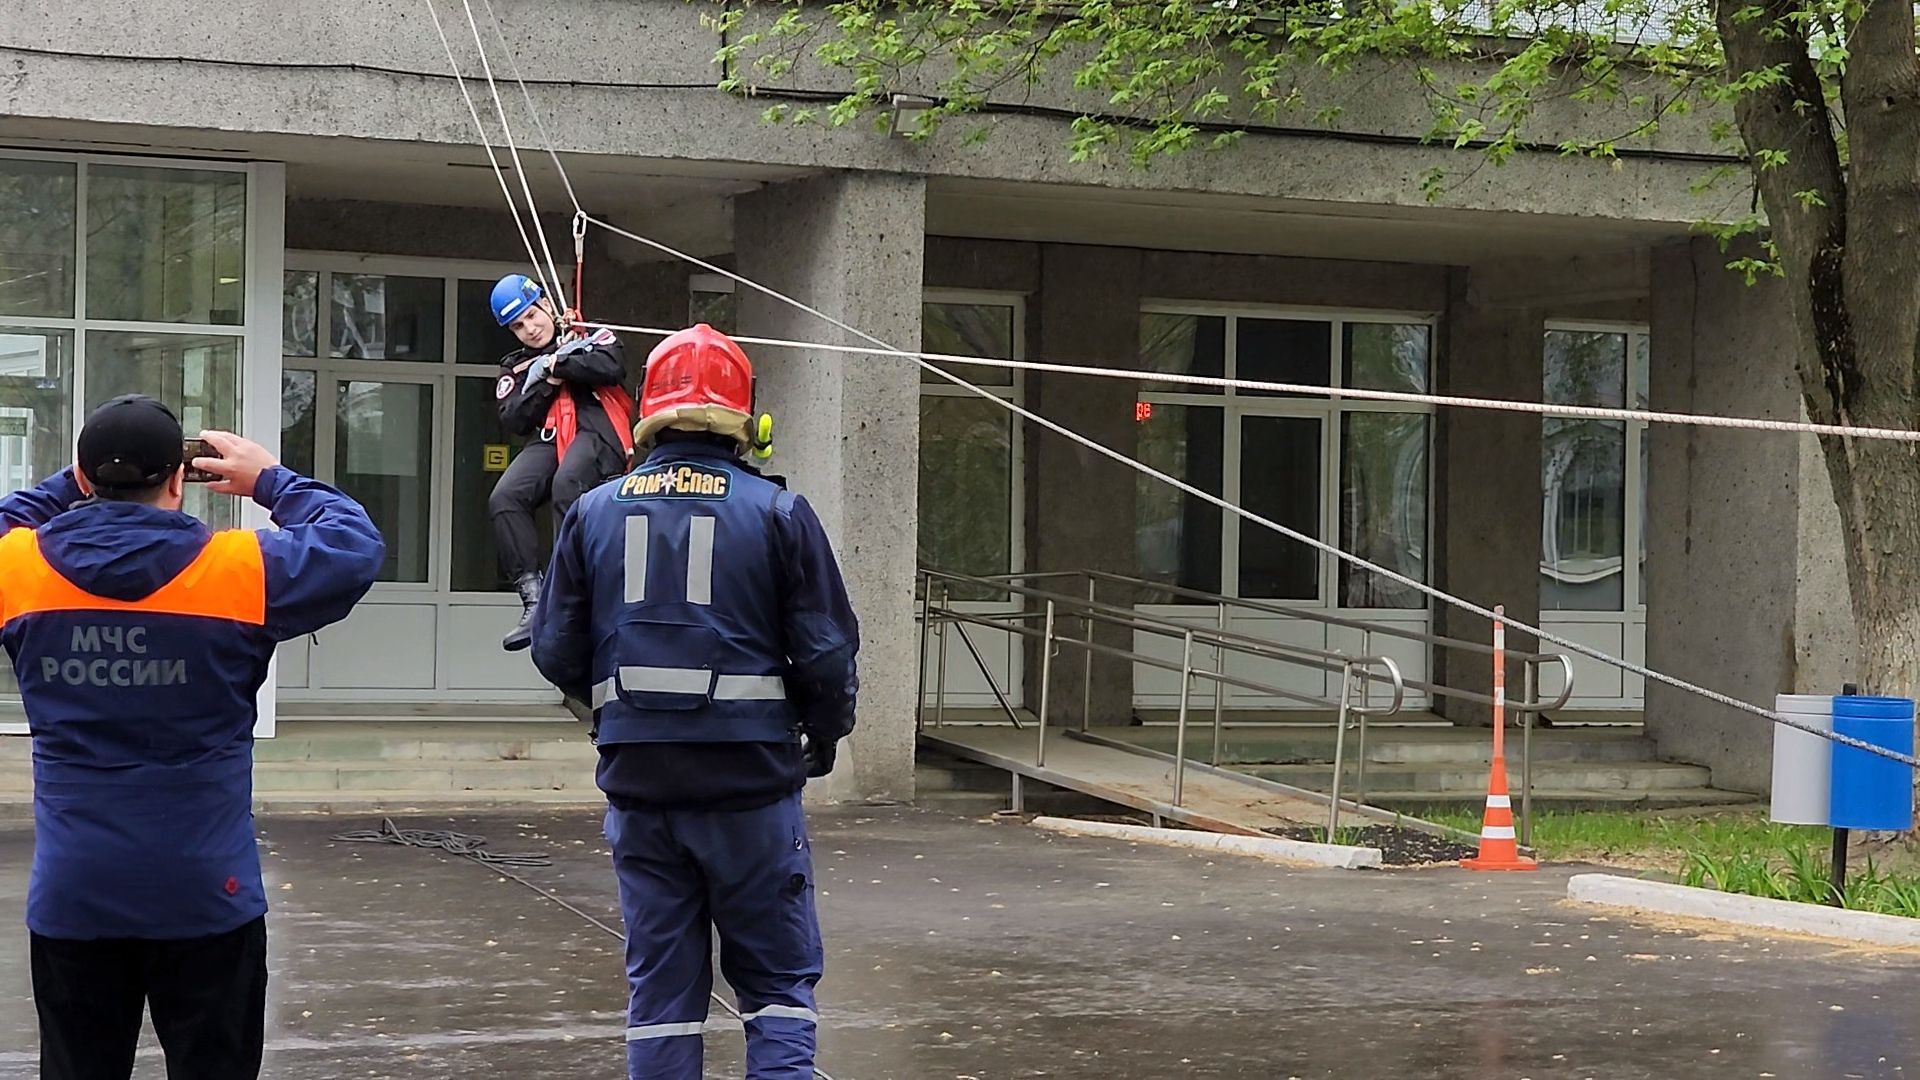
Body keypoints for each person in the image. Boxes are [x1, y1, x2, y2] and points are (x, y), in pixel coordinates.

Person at [2, 395, 384, 1080]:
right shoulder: (240, 569)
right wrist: (270, 479)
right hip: (208, 890)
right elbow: (352, 545)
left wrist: (70, 483)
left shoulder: (21, 569)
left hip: (75, 892)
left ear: (85, 480)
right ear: (177, 482)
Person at [529, 324, 859, 1080]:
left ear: (650, 411)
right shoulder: (778, 514)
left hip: (642, 792)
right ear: (750, 420)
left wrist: (619, 714)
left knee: (662, 999)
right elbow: (827, 653)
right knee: (775, 988)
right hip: (750, 788)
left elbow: (555, 652)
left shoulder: (593, 511)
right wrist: (825, 732)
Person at [487, 273, 637, 650]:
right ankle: (535, 599)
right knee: (505, 496)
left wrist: (560, 363)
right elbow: (515, 418)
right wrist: (546, 379)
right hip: (551, 437)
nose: (530, 329)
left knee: (567, 484)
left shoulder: (588, 334)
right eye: (518, 326)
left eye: (532, 316)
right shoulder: (515, 367)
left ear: (547, 305)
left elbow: (612, 366)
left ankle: (573, 592)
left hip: (597, 432)